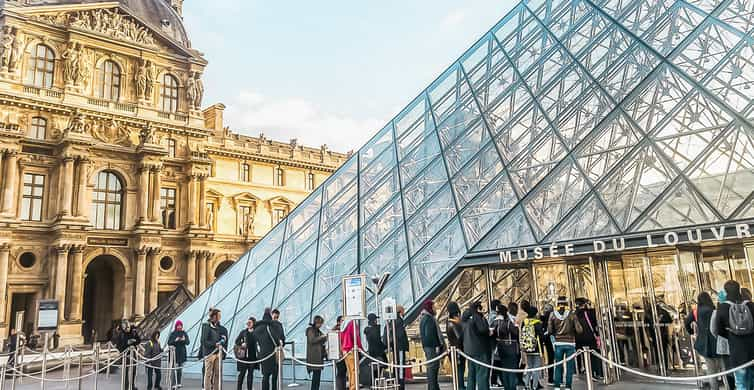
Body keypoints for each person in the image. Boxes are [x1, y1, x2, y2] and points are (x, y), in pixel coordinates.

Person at [713, 280, 754, 390]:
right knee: (752, 380)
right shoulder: (750, 305)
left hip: (736, 350)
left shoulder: (722, 307)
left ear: (726, 291)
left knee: (741, 383)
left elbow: (718, 330)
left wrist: (731, 333)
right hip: (752, 349)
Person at [686, 292, 722, 390]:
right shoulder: (713, 310)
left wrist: (691, 332)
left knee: (710, 368)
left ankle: (714, 387)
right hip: (716, 342)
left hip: (704, 343)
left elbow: (687, 322)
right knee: (722, 367)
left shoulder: (695, 311)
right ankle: (727, 385)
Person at [548, 296, 581, 390]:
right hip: (570, 343)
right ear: (566, 303)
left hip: (558, 343)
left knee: (558, 365)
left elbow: (550, 330)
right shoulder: (572, 314)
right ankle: (568, 386)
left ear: (557, 304)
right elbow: (579, 330)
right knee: (569, 366)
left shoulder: (552, 314)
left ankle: (557, 385)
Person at [254, 308, 284, 390]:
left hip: (263, 354)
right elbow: (278, 340)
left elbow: (254, 341)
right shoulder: (273, 326)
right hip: (273, 354)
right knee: (274, 376)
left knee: (265, 376)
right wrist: (280, 343)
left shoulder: (257, 328)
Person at [464, 301, 491, 390]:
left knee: (471, 374)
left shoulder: (465, 317)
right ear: (478, 309)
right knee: (482, 373)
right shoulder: (477, 317)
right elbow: (483, 329)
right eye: (481, 308)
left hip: (468, 350)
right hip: (479, 349)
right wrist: (489, 331)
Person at [419, 299, 445, 390]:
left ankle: (434, 387)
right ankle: (433, 388)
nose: (436, 309)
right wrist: (437, 346)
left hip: (428, 348)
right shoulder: (428, 319)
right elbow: (429, 335)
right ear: (430, 307)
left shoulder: (424, 318)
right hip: (432, 348)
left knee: (432, 369)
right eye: (434, 307)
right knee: (433, 369)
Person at [575, 298, 602, 379]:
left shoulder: (574, 314)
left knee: (582, 354)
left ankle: (583, 370)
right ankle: (596, 372)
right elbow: (595, 323)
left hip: (579, 338)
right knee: (594, 355)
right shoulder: (590, 312)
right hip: (590, 337)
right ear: (584, 304)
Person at [201, 308, 229, 390]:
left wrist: (223, 353)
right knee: (208, 374)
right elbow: (203, 341)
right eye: (218, 315)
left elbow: (224, 340)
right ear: (214, 316)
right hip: (209, 354)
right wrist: (214, 344)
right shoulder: (206, 326)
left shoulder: (221, 328)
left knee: (217, 374)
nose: (220, 317)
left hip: (218, 353)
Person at [492, 304, 518, 390]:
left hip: (500, 348)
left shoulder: (496, 322)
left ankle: (506, 387)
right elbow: (516, 333)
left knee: (504, 369)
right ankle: (512, 388)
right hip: (511, 348)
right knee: (511, 370)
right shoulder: (509, 322)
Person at [384, 305, 410, 390]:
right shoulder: (399, 321)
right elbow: (400, 335)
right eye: (403, 310)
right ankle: (401, 384)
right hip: (400, 347)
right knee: (401, 366)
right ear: (400, 311)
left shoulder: (392, 321)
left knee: (396, 365)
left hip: (395, 347)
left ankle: (397, 382)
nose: (404, 312)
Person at [521, 305, 545, 390]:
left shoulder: (524, 322)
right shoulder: (537, 323)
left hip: (527, 348)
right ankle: (534, 386)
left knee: (529, 366)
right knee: (536, 368)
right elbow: (541, 337)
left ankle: (526, 385)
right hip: (537, 348)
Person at [446, 302, 466, 390]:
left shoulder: (448, 322)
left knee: (458, 370)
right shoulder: (454, 323)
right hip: (458, 350)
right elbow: (459, 337)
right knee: (460, 370)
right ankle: (460, 386)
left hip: (452, 349)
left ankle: (459, 385)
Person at [116, 320, 141, 390]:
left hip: (133, 355)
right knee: (125, 372)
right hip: (125, 355)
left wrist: (134, 341)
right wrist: (127, 343)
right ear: (123, 328)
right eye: (126, 328)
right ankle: (125, 387)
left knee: (133, 371)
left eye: (128, 327)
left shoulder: (134, 332)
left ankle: (132, 385)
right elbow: (118, 346)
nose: (127, 329)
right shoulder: (121, 334)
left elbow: (139, 340)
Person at [235, 317, 257, 390]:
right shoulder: (243, 332)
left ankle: (249, 388)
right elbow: (237, 341)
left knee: (250, 374)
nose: (248, 324)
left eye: (250, 322)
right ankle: (239, 388)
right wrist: (241, 344)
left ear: (253, 323)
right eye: (248, 322)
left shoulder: (256, 332)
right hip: (243, 357)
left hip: (252, 357)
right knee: (242, 374)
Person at [340, 318, 363, 390]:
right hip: (352, 349)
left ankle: (351, 386)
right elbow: (356, 337)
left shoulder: (343, 324)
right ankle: (353, 387)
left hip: (345, 350)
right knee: (354, 370)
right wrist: (361, 348)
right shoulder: (352, 323)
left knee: (349, 370)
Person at [306, 316, 328, 390]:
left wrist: (324, 337)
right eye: (320, 323)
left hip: (318, 357)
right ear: (317, 322)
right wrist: (323, 337)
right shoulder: (311, 330)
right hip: (314, 357)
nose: (321, 325)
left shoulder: (317, 331)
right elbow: (312, 340)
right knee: (316, 376)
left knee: (317, 376)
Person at [168, 320, 189, 388]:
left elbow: (188, 342)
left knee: (180, 369)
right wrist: (175, 340)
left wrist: (184, 340)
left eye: (180, 325)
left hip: (182, 354)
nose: (179, 327)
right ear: (176, 326)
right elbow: (169, 342)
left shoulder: (184, 333)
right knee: (174, 370)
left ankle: (179, 383)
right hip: (174, 354)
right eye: (178, 325)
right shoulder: (173, 333)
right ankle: (173, 384)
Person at [365, 313, 386, 380]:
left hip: (372, 352)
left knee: (375, 369)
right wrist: (384, 346)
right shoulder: (376, 329)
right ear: (374, 320)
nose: (376, 320)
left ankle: (374, 383)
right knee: (379, 368)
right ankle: (376, 383)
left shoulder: (367, 330)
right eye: (376, 319)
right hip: (379, 352)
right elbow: (377, 341)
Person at [539, 303, 555, 385]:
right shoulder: (553, 318)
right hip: (552, 340)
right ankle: (551, 378)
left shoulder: (540, 319)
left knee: (549, 359)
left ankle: (550, 378)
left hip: (543, 340)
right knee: (552, 359)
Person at [333, 316, 347, 390]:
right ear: (338, 322)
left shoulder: (344, 330)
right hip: (339, 354)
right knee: (341, 371)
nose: (343, 322)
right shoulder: (336, 331)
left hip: (345, 353)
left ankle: (342, 387)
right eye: (342, 320)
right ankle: (340, 387)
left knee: (343, 371)